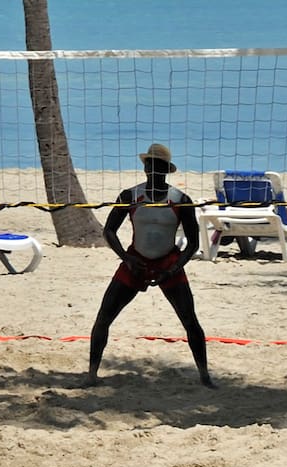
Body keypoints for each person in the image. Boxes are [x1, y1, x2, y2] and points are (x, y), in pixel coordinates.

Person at [84, 143, 215, 389]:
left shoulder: (180, 200)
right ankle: (91, 375)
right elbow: (109, 231)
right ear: (145, 167)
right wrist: (125, 257)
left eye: (158, 165)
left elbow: (193, 243)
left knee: (190, 320)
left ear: (166, 169)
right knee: (103, 318)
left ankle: (205, 376)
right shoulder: (130, 196)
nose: (152, 169)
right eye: (149, 164)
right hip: (136, 261)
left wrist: (174, 268)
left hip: (168, 262)